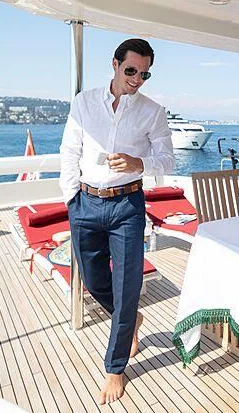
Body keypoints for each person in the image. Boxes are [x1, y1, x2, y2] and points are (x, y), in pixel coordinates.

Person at [59, 38, 174, 404]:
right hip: (86, 204)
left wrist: (140, 164)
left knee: (127, 288)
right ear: (114, 64)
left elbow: (168, 162)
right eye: (131, 70)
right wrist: (71, 198)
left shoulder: (153, 112)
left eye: (144, 73)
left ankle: (115, 367)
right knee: (94, 281)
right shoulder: (84, 103)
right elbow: (69, 151)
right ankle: (130, 321)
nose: (137, 78)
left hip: (126, 207)